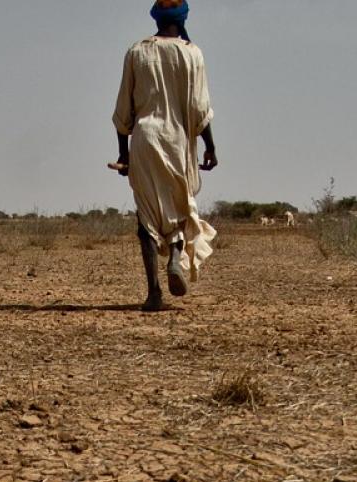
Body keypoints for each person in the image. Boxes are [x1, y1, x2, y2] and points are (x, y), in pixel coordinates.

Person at [110, 0, 217, 312]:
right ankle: (174, 258)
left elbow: (123, 110)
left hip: (144, 140)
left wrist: (123, 154)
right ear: (182, 18)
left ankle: (153, 293)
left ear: (156, 19)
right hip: (177, 141)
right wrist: (210, 146)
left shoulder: (137, 52)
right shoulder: (192, 53)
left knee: (146, 217)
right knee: (181, 209)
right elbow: (200, 109)